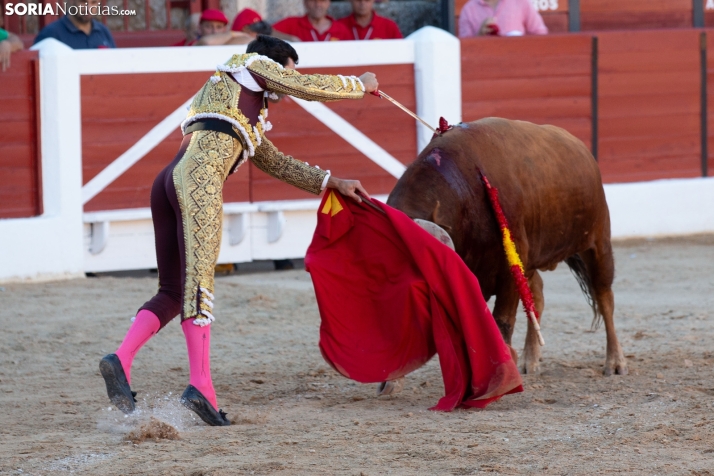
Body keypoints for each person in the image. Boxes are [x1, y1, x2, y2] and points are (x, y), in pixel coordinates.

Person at [99, 35, 378, 427]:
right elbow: (304, 85)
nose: (287, 81)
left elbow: (275, 161)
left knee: (173, 292)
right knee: (199, 287)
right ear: (274, 61)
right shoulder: (254, 65)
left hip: (167, 181)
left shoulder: (233, 98)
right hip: (198, 181)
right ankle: (201, 387)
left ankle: (121, 359)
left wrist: (331, 181)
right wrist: (358, 85)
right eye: (287, 68)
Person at [33, 0, 116, 49]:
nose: (88, 8)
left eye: (93, 2)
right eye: (83, 2)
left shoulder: (103, 32)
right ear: (71, 1)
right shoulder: (50, 34)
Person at [458, 0, 547, 37]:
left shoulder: (520, 2)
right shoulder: (468, 10)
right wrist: (480, 35)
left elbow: (540, 33)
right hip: (484, 67)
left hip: (519, 63)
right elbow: (464, 49)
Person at [273, 0, 351, 42]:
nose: (318, 4)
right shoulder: (292, 23)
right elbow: (265, 33)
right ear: (305, 2)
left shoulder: (341, 29)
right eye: (313, 0)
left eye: (322, 1)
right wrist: (289, 38)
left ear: (328, 3)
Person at [337, 0, 402, 40]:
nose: (362, 4)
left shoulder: (389, 26)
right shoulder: (338, 26)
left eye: (367, 0)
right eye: (358, 0)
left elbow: (401, 52)